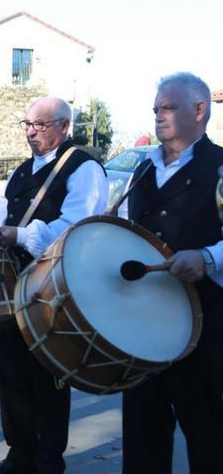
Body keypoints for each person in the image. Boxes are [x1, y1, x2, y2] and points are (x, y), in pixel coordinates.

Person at [0, 96, 107, 474]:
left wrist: (18, 234)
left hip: (55, 289)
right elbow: (6, 217)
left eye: (41, 125)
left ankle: (49, 461)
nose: (31, 132)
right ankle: (19, 455)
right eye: (27, 124)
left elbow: (79, 228)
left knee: (48, 376)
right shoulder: (20, 172)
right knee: (12, 373)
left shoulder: (83, 168)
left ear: (65, 126)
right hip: (14, 284)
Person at [120, 72, 223, 474]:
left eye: (168, 108)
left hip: (206, 322)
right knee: (143, 430)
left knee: (208, 430)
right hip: (145, 320)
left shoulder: (219, 167)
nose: (158, 116)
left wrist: (208, 258)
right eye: (156, 109)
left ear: (199, 111)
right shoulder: (143, 171)